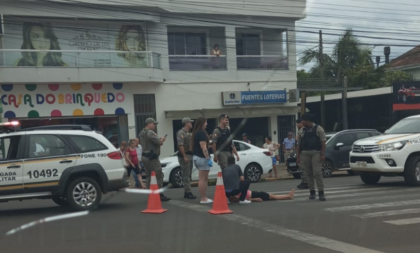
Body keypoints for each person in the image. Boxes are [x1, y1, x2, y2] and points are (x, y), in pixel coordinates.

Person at [296, 113, 327, 201]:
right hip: (305, 153)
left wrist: (322, 154)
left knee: (317, 173)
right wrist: (298, 157)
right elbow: (298, 145)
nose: (302, 122)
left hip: (316, 152)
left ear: (308, 121)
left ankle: (321, 192)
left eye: (303, 120)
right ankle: (312, 192)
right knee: (308, 173)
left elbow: (323, 142)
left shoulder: (319, 129)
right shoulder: (301, 130)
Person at [139, 118, 170, 201]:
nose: (155, 125)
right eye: (154, 124)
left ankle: (150, 193)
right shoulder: (150, 132)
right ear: (149, 124)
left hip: (145, 156)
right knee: (158, 174)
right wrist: (162, 139)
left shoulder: (142, 132)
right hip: (152, 157)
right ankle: (159, 193)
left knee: (149, 175)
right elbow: (158, 142)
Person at [191, 117, 213, 204]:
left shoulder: (196, 133)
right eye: (206, 122)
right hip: (202, 158)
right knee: (203, 179)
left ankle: (204, 197)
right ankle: (203, 198)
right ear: (202, 123)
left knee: (204, 179)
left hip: (196, 157)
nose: (206, 124)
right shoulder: (202, 133)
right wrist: (208, 158)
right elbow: (203, 147)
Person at [176, 117, 196, 199]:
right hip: (186, 155)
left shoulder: (189, 133)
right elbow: (181, 145)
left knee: (189, 174)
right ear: (186, 123)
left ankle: (188, 191)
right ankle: (188, 192)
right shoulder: (181, 133)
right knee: (186, 174)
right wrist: (184, 156)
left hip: (190, 154)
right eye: (190, 122)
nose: (191, 123)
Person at [296, 118, 308, 189]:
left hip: (303, 152)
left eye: (297, 123)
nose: (297, 125)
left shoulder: (301, 131)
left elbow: (298, 144)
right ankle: (306, 181)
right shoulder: (309, 129)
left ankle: (305, 182)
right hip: (308, 151)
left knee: (303, 168)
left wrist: (298, 156)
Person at [229, 189, 295, 202]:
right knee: (272, 196)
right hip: (254, 195)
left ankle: (287, 196)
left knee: (271, 196)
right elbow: (243, 199)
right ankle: (288, 196)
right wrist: (255, 199)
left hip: (254, 193)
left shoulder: (233, 193)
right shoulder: (233, 196)